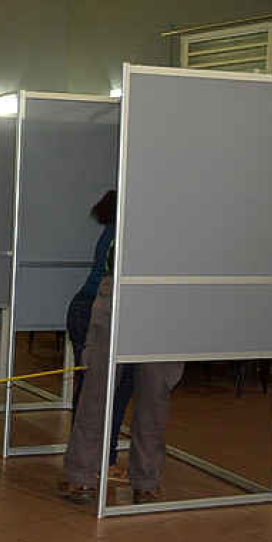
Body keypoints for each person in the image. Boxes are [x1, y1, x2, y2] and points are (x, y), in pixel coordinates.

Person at [61, 191, 183, 505]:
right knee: (102, 397)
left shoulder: (159, 221)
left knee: (142, 398)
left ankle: (133, 478)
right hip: (110, 304)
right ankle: (89, 474)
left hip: (147, 305)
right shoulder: (129, 227)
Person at [64, 190, 133, 481]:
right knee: (111, 393)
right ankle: (103, 462)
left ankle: (84, 460)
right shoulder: (124, 233)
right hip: (98, 312)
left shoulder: (110, 230)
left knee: (90, 393)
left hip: (84, 309)